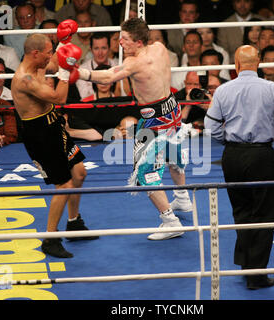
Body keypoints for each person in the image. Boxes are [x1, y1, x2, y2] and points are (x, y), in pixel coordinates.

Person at [62, 18, 193, 240]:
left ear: (138, 41)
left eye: (125, 39)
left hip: (154, 120)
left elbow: (109, 75)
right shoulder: (159, 48)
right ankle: (182, 198)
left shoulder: (135, 62)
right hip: (172, 111)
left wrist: (79, 73)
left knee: (145, 173)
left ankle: (170, 221)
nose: (120, 42)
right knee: (173, 156)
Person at [204, 45, 274, 289]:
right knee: (263, 213)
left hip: (233, 155)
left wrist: (230, 141)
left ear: (236, 64)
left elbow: (211, 127)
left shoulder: (223, 90)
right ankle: (256, 275)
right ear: (258, 63)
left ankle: (247, 265)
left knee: (241, 209)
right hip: (261, 155)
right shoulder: (272, 89)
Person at [11, 23, 98, 259]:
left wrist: (65, 43)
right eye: (48, 52)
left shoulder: (39, 64)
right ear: (35, 53)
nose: (51, 56)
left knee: (79, 173)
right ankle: (50, 239)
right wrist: (66, 71)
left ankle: (74, 223)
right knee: (65, 185)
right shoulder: (25, 78)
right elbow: (59, 97)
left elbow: (59, 61)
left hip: (54, 125)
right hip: (39, 134)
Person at [76, 32, 115, 100]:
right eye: (96, 48)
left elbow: (122, 94)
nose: (100, 53)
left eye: (104, 48)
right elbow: (85, 97)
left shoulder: (117, 65)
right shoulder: (82, 69)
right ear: (91, 49)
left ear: (109, 48)